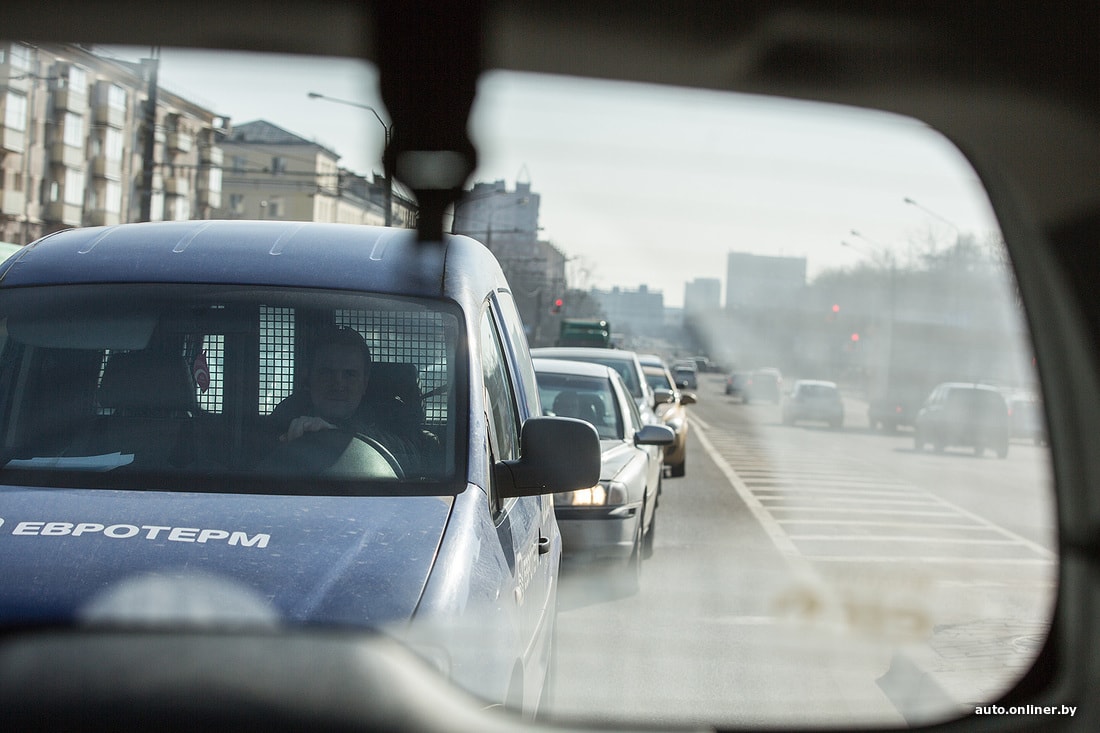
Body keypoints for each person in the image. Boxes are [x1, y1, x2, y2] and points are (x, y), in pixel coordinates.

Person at [269, 325, 437, 476]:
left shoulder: (391, 414)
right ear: (309, 378)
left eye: (349, 374)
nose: (338, 384)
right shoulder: (289, 411)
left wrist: (341, 433)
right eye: (327, 372)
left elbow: (414, 457)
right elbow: (258, 456)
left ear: (364, 383)